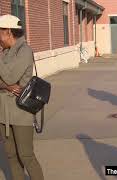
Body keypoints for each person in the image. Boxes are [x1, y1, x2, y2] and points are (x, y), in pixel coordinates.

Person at [0, 14, 44, 180]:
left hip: (21, 111)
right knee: (11, 155)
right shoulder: (5, 52)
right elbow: (8, 81)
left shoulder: (24, 50)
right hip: (3, 112)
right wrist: (6, 86)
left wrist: (6, 82)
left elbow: (10, 77)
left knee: (26, 155)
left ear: (8, 32)